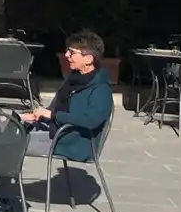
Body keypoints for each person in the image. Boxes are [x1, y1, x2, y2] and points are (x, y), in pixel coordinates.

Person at [21, 30, 113, 159]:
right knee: (6, 127)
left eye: (72, 52)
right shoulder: (73, 79)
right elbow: (55, 109)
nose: (66, 55)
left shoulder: (100, 88)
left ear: (88, 59)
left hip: (71, 145)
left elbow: (91, 121)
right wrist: (35, 116)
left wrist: (53, 115)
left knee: (10, 143)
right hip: (54, 132)